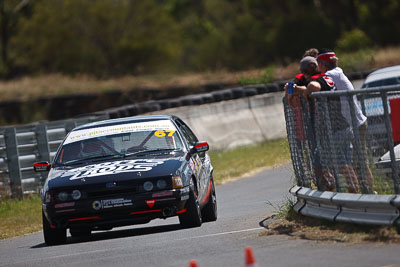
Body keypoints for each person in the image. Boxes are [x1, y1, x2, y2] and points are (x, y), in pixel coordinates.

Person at [316, 49, 374, 193]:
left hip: (353, 124)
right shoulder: (338, 73)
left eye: (318, 64)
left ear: (322, 65)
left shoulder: (330, 75)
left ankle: (369, 192)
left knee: (359, 161)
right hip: (354, 122)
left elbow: (315, 84)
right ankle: (365, 191)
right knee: (356, 161)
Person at [303, 56, 360, 193]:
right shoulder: (328, 78)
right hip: (344, 126)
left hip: (335, 129)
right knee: (344, 162)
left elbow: (314, 86)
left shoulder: (317, 79)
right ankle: (354, 192)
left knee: (319, 162)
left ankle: (329, 187)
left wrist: (306, 92)